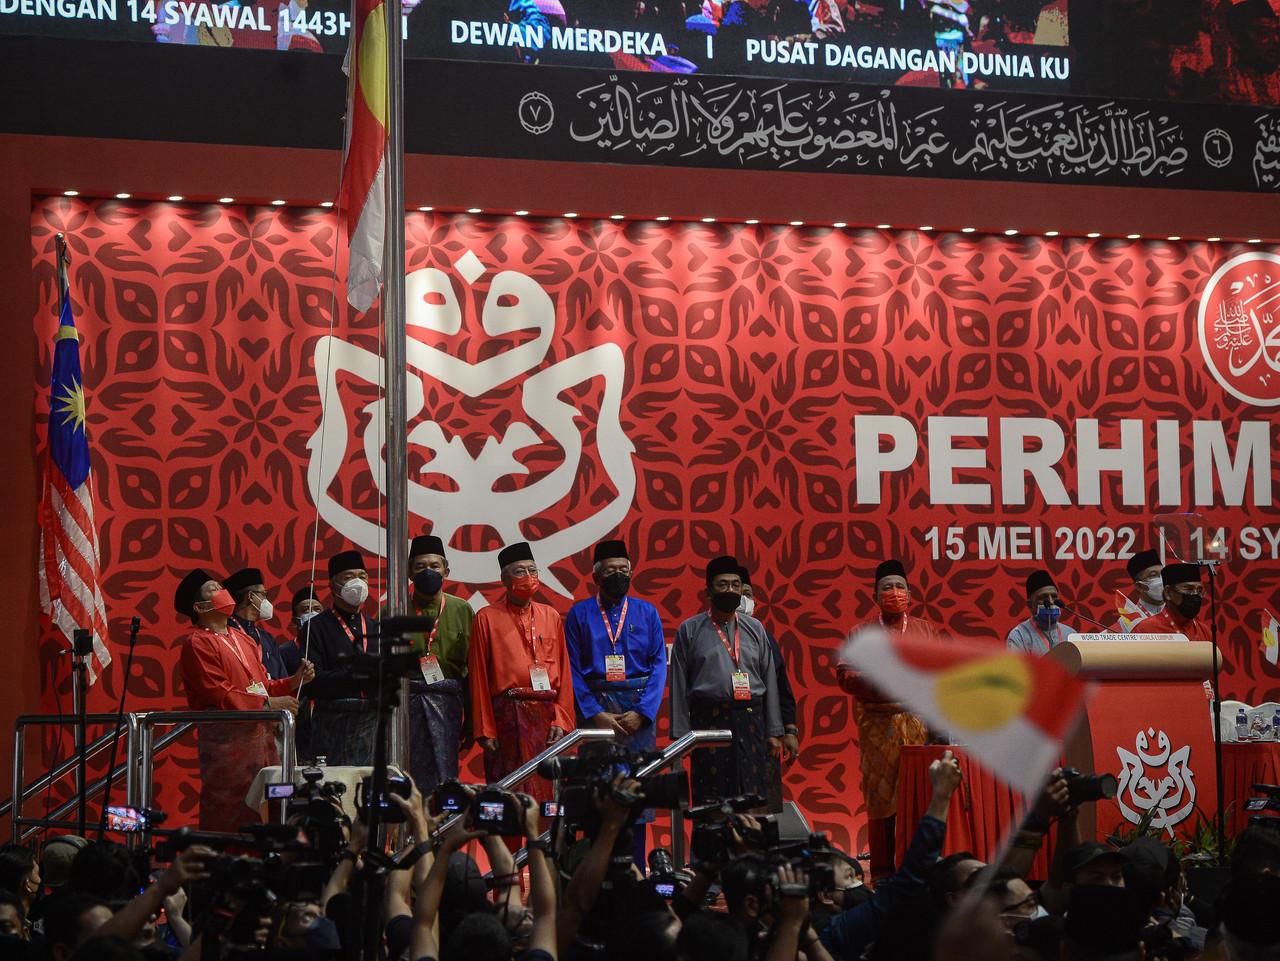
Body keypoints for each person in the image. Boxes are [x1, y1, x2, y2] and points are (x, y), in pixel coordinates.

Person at [174, 569, 312, 831]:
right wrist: (271, 704)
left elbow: (261, 685)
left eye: (220, 587)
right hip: (227, 748)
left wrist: (292, 682)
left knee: (272, 805)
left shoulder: (242, 638)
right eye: (213, 590)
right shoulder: (197, 643)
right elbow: (219, 694)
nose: (222, 592)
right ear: (200, 606)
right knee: (231, 813)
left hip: (264, 744)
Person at [564, 539, 667, 863]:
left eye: (624, 570)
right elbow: (572, 668)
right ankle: (593, 867)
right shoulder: (578, 614)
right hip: (597, 710)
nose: (618, 576)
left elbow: (658, 665)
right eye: (611, 571)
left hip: (637, 713)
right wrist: (594, 713)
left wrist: (643, 712)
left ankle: (636, 867)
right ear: (596, 576)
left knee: (637, 792)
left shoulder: (646, 612)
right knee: (597, 791)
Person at [834, 559, 933, 881]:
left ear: (910, 593)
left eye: (899, 586)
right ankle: (882, 873)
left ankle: (917, 870)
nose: (894, 592)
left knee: (917, 799)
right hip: (877, 727)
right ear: (875, 595)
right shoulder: (860, 633)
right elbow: (846, 675)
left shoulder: (925, 630)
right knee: (881, 802)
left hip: (917, 726)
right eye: (887, 587)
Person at [670, 555, 783, 808]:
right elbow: (678, 684)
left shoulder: (755, 628)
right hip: (709, 720)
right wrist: (681, 736)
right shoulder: (690, 630)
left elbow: (769, 681)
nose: (729, 590)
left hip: (751, 720)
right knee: (712, 801)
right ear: (708, 591)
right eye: (722, 585)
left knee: (752, 800)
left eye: (735, 584)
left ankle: (749, 847)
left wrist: (775, 731)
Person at [469, 542, 575, 804]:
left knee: (549, 798)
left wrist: (561, 720)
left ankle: (544, 846)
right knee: (510, 798)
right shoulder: (486, 617)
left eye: (532, 570)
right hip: (508, 717)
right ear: (504, 579)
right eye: (519, 572)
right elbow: (479, 678)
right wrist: (485, 731)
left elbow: (565, 673)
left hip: (547, 718)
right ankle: (509, 846)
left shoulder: (550, 615)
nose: (528, 578)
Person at [395, 533, 474, 799]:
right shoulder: (393, 609)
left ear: (446, 570)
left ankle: (444, 837)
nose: (428, 572)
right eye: (420, 567)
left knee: (446, 778)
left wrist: (472, 720)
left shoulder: (462, 609)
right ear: (408, 571)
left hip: (449, 706)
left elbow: (473, 671)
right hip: (406, 706)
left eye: (434, 566)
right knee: (406, 779)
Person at [303, 550, 379, 766]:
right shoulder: (315, 627)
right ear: (333, 585)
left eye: (362, 576)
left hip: (370, 722)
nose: (357, 582)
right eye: (348, 577)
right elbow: (312, 682)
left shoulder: (374, 627)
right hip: (332, 722)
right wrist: (352, 674)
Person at [738, 564, 800, 812]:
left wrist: (790, 730)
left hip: (765, 733)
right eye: (736, 590)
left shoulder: (764, 636)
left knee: (765, 809)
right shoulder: (704, 632)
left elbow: (781, 686)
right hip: (725, 731)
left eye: (748, 593)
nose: (743, 598)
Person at [224, 567, 291, 680]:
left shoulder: (267, 638)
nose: (267, 600)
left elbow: (282, 677)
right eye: (264, 595)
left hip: (275, 695)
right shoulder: (227, 634)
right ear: (251, 596)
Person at [1132, 563, 1211, 641]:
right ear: (1168, 593)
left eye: (1199, 590)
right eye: (1188, 589)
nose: (1195, 594)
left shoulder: (1205, 631)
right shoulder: (1145, 630)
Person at [1006, 571, 1078, 656]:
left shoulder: (1070, 634)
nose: (1051, 602)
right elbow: (1018, 668)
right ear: (1030, 605)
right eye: (1043, 598)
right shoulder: (1019, 636)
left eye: (1054, 596)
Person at [1111, 549, 1165, 632]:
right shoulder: (1128, 623)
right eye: (1153, 575)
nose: (1161, 580)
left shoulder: (1178, 615)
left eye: (1163, 574)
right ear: (1140, 586)